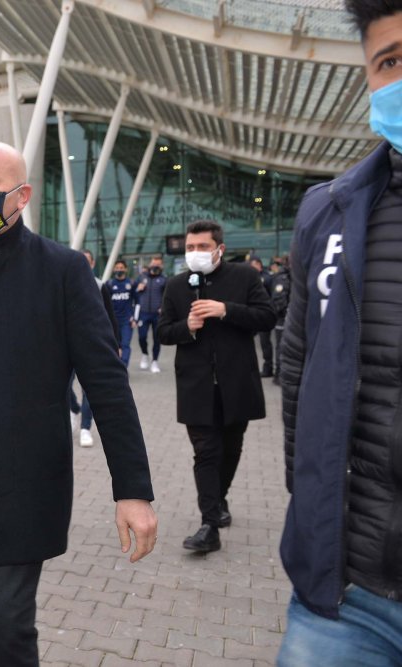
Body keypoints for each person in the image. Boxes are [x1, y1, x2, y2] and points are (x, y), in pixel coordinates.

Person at [0, 141, 157, 667]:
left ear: (20, 196)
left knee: (10, 621)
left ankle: (4, 648)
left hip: (22, 477)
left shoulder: (63, 271)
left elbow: (107, 384)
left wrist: (132, 490)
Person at [277, 2, 402, 663]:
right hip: (348, 598)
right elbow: (297, 370)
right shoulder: (330, 212)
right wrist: (315, 510)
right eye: (389, 61)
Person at [158, 220, 275, 553]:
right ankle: (209, 523)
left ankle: (219, 498)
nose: (195, 253)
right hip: (196, 386)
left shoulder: (245, 277)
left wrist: (227, 310)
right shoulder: (177, 285)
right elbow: (164, 332)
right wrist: (188, 327)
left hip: (237, 383)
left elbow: (267, 317)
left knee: (230, 448)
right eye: (190, 248)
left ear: (219, 249)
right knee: (206, 452)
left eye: (202, 247)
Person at [77, 249, 121, 448]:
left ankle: (85, 428)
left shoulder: (100, 285)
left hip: (91, 348)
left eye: (87, 262)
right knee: (62, 387)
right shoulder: (58, 284)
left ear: (93, 264)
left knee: (88, 390)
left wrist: (116, 344)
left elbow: (110, 318)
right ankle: (72, 410)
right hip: (62, 348)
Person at [134, 254, 167, 373]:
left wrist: (163, 307)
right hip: (143, 313)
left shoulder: (164, 279)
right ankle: (144, 354)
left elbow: (167, 296)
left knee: (157, 338)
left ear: (162, 266)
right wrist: (138, 289)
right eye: (154, 264)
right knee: (142, 337)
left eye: (158, 264)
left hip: (157, 314)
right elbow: (134, 294)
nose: (155, 266)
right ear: (150, 264)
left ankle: (154, 362)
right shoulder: (141, 277)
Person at [108, 259, 137, 367]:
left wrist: (135, 318)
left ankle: (123, 367)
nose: (119, 270)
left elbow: (137, 302)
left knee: (125, 345)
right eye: (117, 268)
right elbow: (105, 304)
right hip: (113, 321)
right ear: (114, 269)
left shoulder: (131, 283)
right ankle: (115, 367)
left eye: (121, 268)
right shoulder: (109, 284)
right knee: (114, 345)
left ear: (125, 269)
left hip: (127, 321)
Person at [248, 255, 274, 377]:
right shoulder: (249, 278)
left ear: (259, 264)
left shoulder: (267, 278)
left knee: (265, 343)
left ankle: (268, 368)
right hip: (252, 315)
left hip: (263, 314)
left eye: (253, 265)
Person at [269, 256, 290, 386]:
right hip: (283, 320)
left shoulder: (292, 276)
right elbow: (279, 299)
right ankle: (279, 375)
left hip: (289, 319)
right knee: (281, 347)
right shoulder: (282, 277)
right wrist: (285, 313)